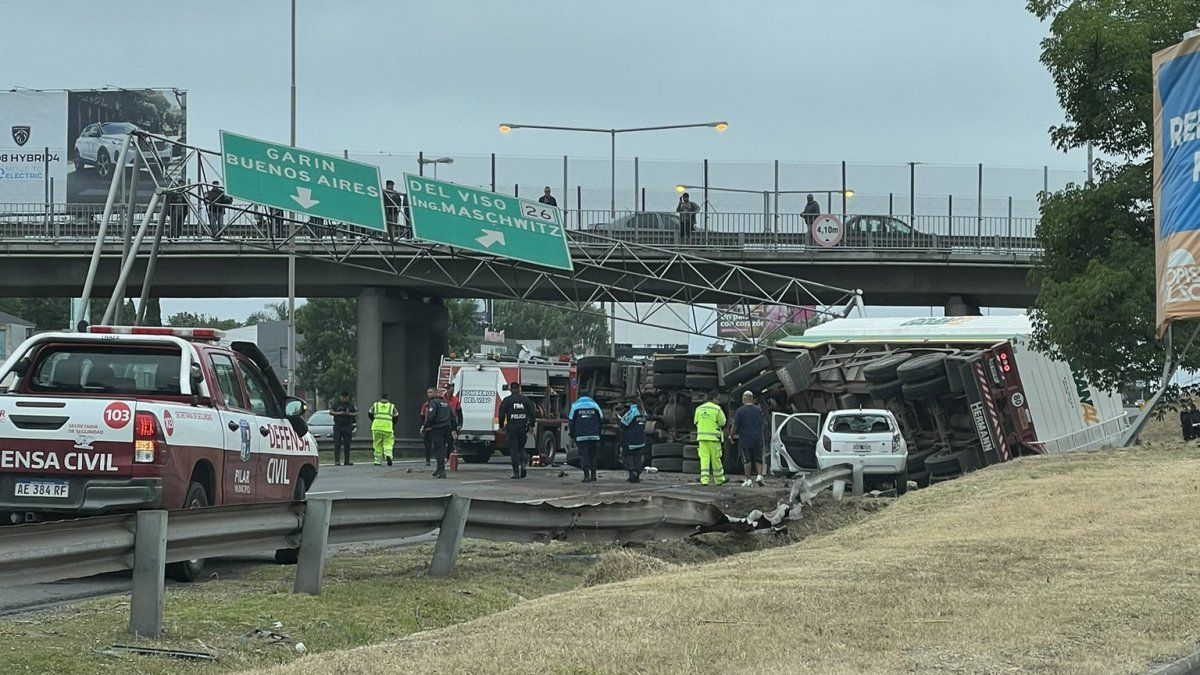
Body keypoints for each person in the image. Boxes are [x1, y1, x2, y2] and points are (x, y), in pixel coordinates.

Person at [498, 381, 539, 479]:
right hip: (522, 428)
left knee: (513, 450)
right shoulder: (525, 400)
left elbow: (501, 413)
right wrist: (531, 425)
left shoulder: (507, 400)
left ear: (511, 389)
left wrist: (501, 425)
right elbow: (532, 413)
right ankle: (523, 465)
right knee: (521, 448)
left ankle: (516, 472)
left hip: (512, 428)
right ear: (519, 388)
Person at [731, 391, 766, 484]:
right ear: (752, 399)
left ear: (744, 399)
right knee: (758, 458)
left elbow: (735, 426)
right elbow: (762, 423)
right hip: (757, 438)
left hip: (745, 439)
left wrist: (731, 436)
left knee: (746, 459)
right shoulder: (758, 410)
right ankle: (759, 476)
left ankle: (748, 479)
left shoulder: (740, 411)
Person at [694, 390, 727, 486]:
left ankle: (704, 480)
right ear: (714, 398)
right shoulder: (717, 409)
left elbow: (695, 422)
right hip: (713, 439)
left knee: (704, 459)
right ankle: (719, 479)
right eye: (718, 399)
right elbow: (722, 422)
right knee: (716, 459)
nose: (719, 401)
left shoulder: (699, 409)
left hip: (702, 438)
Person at [423, 387, 457, 478]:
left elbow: (431, 416)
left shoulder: (433, 402)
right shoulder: (446, 403)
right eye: (427, 392)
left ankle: (441, 471)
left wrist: (425, 426)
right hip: (447, 429)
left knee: (438, 450)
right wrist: (454, 429)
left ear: (435, 393)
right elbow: (453, 416)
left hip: (437, 429)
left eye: (430, 392)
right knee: (441, 449)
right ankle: (439, 469)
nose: (428, 394)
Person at [568, 394, 603, 483]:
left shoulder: (575, 407)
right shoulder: (595, 406)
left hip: (581, 437)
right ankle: (594, 475)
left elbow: (571, 422)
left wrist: (572, 434)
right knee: (593, 456)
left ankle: (586, 475)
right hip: (594, 436)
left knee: (584, 455)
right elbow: (601, 419)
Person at [618, 401, 646, 483]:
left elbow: (623, 424)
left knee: (626, 456)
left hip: (630, 440)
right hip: (641, 440)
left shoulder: (632, 411)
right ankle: (636, 475)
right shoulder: (643, 412)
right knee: (638, 458)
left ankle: (632, 472)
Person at [367, 392, 399, 466]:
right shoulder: (392, 406)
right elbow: (396, 417)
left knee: (377, 444)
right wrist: (391, 423)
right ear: (388, 397)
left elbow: (369, 413)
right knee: (388, 443)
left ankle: (378, 461)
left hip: (376, 427)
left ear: (381, 397)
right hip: (388, 428)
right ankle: (388, 455)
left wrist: (375, 420)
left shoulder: (376, 405)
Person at [330, 391, 357, 466]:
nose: (344, 399)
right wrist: (339, 413)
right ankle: (337, 461)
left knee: (347, 444)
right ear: (340, 397)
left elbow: (356, 413)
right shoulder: (337, 404)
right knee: (337, 444)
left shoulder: (350, 405)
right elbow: (331, 412)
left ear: (348, 397)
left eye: (346, 397)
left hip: (348, 426)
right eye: (343, 397)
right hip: (338, 426)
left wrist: (349, 414)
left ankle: (347, 461)